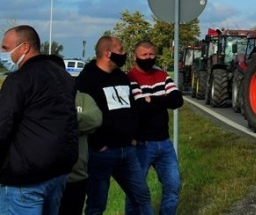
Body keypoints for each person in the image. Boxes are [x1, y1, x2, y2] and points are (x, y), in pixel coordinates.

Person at [0, 25, 78, 214]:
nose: (3, 53)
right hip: (58, 170)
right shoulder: (63, 76)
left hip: (25, 178)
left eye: (5, 47)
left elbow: (3, 123)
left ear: (24, 47)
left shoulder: (19, 80)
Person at [75, 36, 153, 215]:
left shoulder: (121, 76)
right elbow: (84, 115)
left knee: (142, 197)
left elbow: (132, 108)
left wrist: (135, 136)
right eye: (121, 49)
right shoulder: (87, 79)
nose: (124, 53)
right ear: (107, 53)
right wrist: (98, 144)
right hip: (101, 154)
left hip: (128, 152)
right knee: (97, 204)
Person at [127, 41, 184, 214]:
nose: (148, 58)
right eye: (144, 55)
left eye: (152, 54)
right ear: (135, 56)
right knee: (136, 192)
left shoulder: (161, 75)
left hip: (164, 142)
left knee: (173, 186)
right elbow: (140, 108)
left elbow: (177, 100)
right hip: (142, 144)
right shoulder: (130, 78)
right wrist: (162, 100)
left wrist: (152, 99)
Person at [59, 90, 103, 215]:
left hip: (76, 176)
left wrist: (64, 118)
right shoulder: (42, 95)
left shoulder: (82, 97)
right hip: (48, 178)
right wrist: (78, 125)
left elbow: (96, 119)